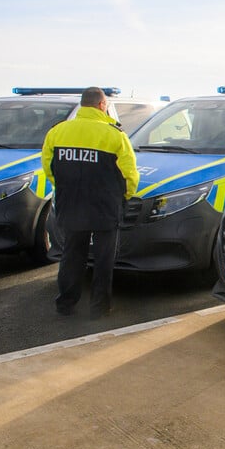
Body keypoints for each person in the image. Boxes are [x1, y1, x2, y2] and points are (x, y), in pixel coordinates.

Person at [41, 87, 139, 319]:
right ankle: (99, 307)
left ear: (82, 105)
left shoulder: (57, 132)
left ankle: (66, 303)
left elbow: (49, 169)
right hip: (105, 206)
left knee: (72, 255)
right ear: (101, 105)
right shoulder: (115, 135)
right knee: (104, 258)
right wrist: (124, 197)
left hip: (72, 203)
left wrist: (66, 190)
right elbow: (130, 175)